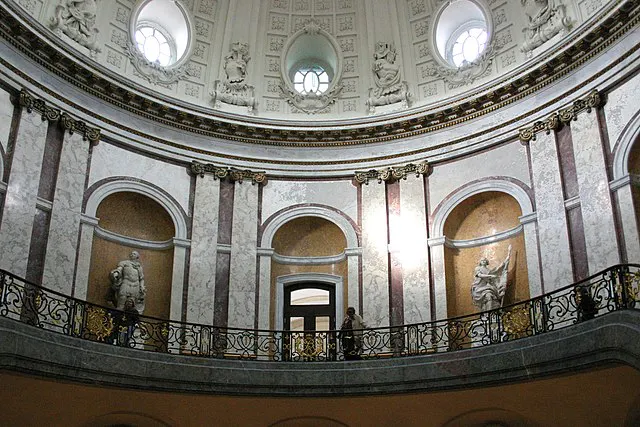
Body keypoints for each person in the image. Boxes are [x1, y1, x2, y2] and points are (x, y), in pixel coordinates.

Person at [471, 246, 512, 312]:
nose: (483, 261)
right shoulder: (478, 268)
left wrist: (507, 257)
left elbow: (498, 269)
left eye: (485, 260)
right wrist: (490, 276)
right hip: (480, 287)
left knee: (492, 297)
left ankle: (491, 313)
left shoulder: (489, 270)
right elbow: (479, 275)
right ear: (480, 262)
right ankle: (488, 314)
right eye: (482, 260)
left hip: (488, 286)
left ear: (487, 262)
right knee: (488, 296)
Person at [110, 250, 146, 315]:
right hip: (126, 282)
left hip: (136, 285)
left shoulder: (139, 267)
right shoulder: (124, 263)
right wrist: (116, 273)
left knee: (132, 302)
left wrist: (142, 286)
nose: (132, 254)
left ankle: (130, 318)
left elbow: (141, 278)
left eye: (134, 254)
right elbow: (119, 269)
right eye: (131, 253)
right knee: (122, 298)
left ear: (137, 257)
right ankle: (118, 316)